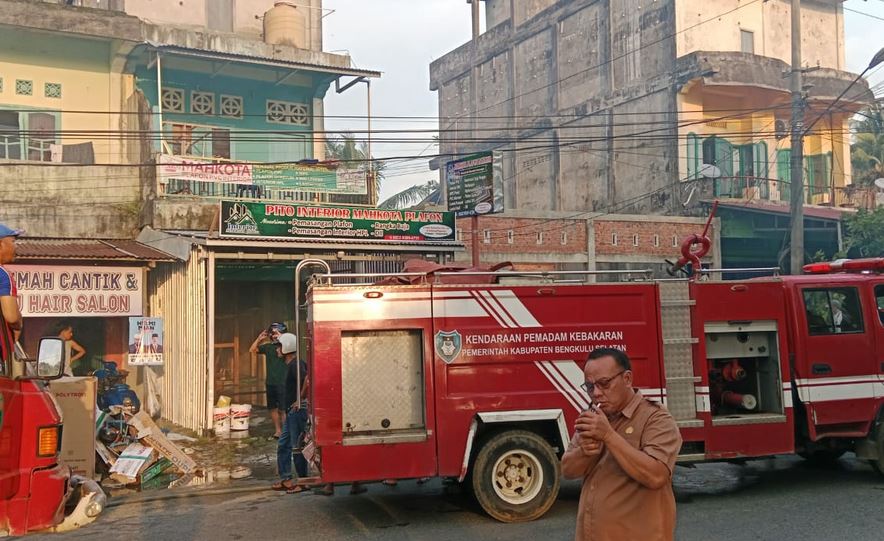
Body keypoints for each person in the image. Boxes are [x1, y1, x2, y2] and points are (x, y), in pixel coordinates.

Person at [561, 348, 682, 541]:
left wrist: (608, 436)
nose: (597, 393)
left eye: (604, 383)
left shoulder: (656, 417)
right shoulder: (593, 418)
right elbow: (567, 470)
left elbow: (656, 475)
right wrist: (584, 452)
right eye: (590, 386)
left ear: (627, 379)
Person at [271, 332, 310, 494]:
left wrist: (299, 400)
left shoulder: (296, 365)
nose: (277, 350)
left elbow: (307, 379)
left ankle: (303, 481)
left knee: (297, 446)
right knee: (283, 445)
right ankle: (286, 479)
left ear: (287, 347)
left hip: (297, 411)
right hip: (292, 412)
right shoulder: (292, 364)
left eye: (279, 347)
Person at [249, 322, 288, 439]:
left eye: (277, 333)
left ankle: (286, 432)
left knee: (283, 409)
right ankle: (278, 430)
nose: (275, 336)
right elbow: (252, 350)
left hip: (283, 382)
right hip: (270, 382)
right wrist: (259, 338)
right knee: (272, 408)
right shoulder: (268, 347)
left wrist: (282, 339)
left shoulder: (286, 346)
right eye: (273, 334)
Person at [0, 224, 23, 366]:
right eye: (13, 242)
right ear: (1, 244)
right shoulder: (2, 275)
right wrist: (19, 322)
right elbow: (11, 316)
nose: (16, 247)